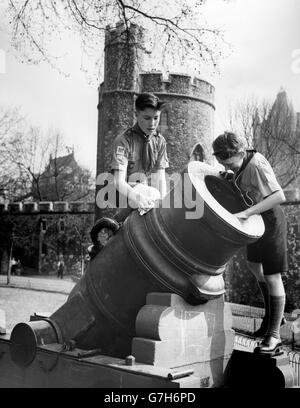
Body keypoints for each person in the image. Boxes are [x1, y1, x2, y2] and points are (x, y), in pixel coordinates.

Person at [212, 131, 287, 356]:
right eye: (225, 165)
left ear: (242, 153)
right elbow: (243, 182)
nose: (230, 168)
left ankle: (274, 336)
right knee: (255, 266)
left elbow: (279, 196)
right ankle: (276, 316)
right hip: (256, 222)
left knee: (273, 276)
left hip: (271, 221)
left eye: (231, 164)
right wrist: (230, 177)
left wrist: (247, 212)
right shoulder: (240, 165)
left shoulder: (257, 164)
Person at [110, 92, 169, 223]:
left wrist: (163, 205)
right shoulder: (123, 140)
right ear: (136, 115)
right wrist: (137, 196)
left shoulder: (160, 141)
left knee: (163, 199)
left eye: (156, 118)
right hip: (122, 193)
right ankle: (116, 223)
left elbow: (161, 178)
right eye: (147, 118)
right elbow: (118, 182)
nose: (152, 123)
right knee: (151, 194)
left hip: (144, 190)